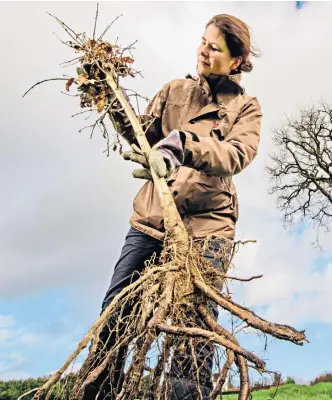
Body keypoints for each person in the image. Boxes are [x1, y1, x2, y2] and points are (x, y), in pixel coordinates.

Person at [83, 13, 262, 400]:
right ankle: (98, 391)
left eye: (214, 47)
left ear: (235, 61)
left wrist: (182, 144)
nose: (203, 50)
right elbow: (143, 134)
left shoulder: (246, 108)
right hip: (152, 218)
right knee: (116, 311)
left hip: (208, 228)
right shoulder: (174, 90)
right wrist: (111, 97)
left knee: (191, 325)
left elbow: (235, 154)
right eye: (203, 41)